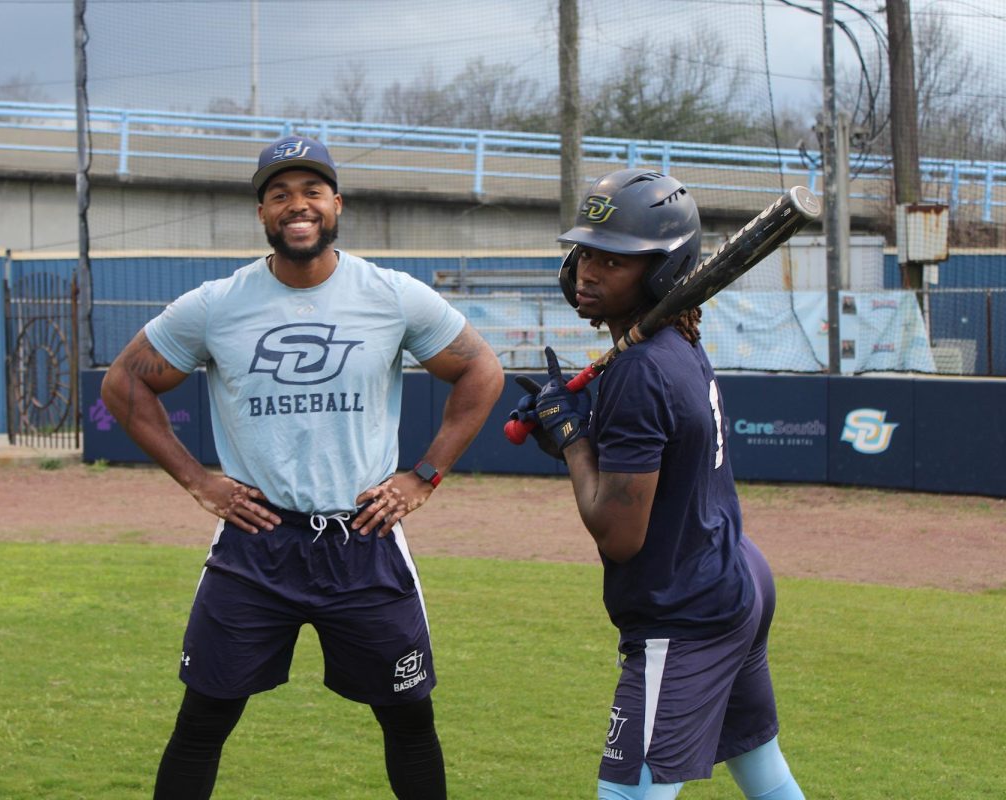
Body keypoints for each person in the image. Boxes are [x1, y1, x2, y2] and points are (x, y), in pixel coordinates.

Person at [101, 133, 504, 799]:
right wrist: (199, 480)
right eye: (280, 194)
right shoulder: (217, 304)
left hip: (365, 540)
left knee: (408, 716)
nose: (298, 205)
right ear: (262, 214)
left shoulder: (391, 295)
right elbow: (125, 384)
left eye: (312, 191)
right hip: (256, 543)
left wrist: (424, 475)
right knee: (204, 716)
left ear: (336, 203)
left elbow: (480, 369)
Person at [510, 169, 806, 800]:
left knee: (627, 793)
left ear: (664, 273)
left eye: (613, 260)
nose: (588, 271)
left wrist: (572, 440)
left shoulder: (640, 371)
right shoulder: (676, 342)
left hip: (687, 609)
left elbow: (619, 534)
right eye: (585, 252)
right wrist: (576, 434)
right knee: (762, 771)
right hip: (731, 577)